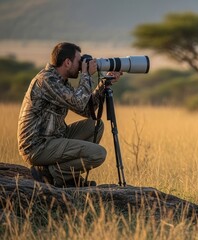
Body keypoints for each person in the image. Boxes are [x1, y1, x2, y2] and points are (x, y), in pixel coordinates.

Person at [17, 42, 122, 188]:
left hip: (54, 138)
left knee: (95, 126)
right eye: (79, 62)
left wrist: (104, 84)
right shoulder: (46, 80)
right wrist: (86, 75)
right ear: (67, 62)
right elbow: (79, 103)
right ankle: (57, 174)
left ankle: (63, 174)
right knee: (98, 153)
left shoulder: (62, 82)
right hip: (37, 146)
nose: (81, 66)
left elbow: (85, 110)